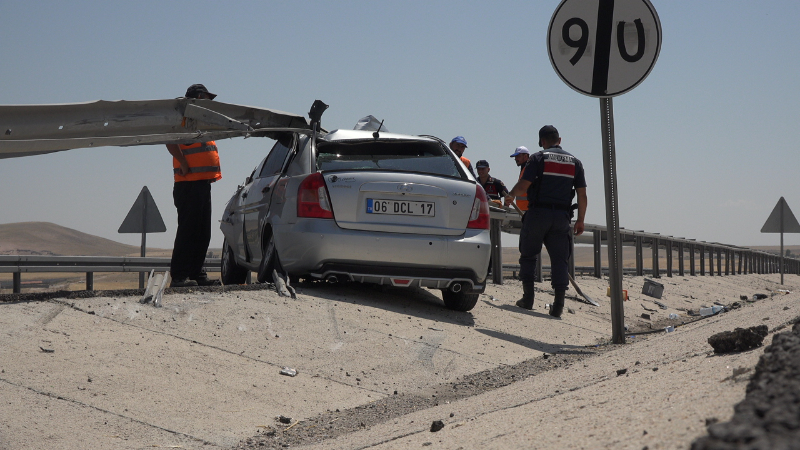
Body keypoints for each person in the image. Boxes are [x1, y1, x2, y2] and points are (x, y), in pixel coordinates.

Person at [505, 125, 587, 317]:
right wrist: (581, 220)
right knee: (560, 260)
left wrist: (510, 195)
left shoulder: (538, 158)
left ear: (542, 141)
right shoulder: (575, 162)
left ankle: (528, 299)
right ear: (559, 140)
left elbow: (524, 185)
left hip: (537, 214)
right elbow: (582, 195)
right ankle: (558, 306)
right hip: (561, 217)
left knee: (529, 255)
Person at [167, 84, 222, 287]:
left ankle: (196, 273)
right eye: (207, 98)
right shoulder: (183, 118)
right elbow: (170, 140)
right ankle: (180, 276)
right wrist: (182, 162)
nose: (210, 103)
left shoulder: (202, 121)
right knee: (188, 231)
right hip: (188, 184)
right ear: (199, 97)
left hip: (202, 184)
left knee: (202, 232)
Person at [508, 146, 531, 211]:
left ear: (525, 156)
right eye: (515, 157)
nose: (516, 159)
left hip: (528, 209)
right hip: (523, 209)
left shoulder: (528, 169)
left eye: (518, 156)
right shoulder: (524, 169)